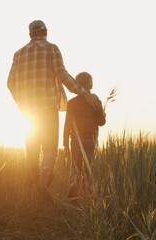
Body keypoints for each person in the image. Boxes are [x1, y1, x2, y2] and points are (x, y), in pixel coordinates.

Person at [7, 20, 100, 201]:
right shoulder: (52, 49)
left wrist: (21, 102)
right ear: (46, 32)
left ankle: (33, 181)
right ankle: (44, 177)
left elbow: (10, 83)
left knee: (32, 148)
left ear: (30, 35)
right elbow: (62, 74)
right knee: (50, 148)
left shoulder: (18, 54)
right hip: (48, 108)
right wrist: (83, 92)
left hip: (28, 111)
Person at [63, 72, 106, 201]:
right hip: (91, 140)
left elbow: (67, 125)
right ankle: (88, 192)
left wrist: (65, 143)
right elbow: (101, 122)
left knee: (75, 166)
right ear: (90, 84)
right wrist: (103, 115)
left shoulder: (71, 103)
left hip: (75, 140)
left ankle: (74, 188)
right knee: (89, 166)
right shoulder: (96, 100)